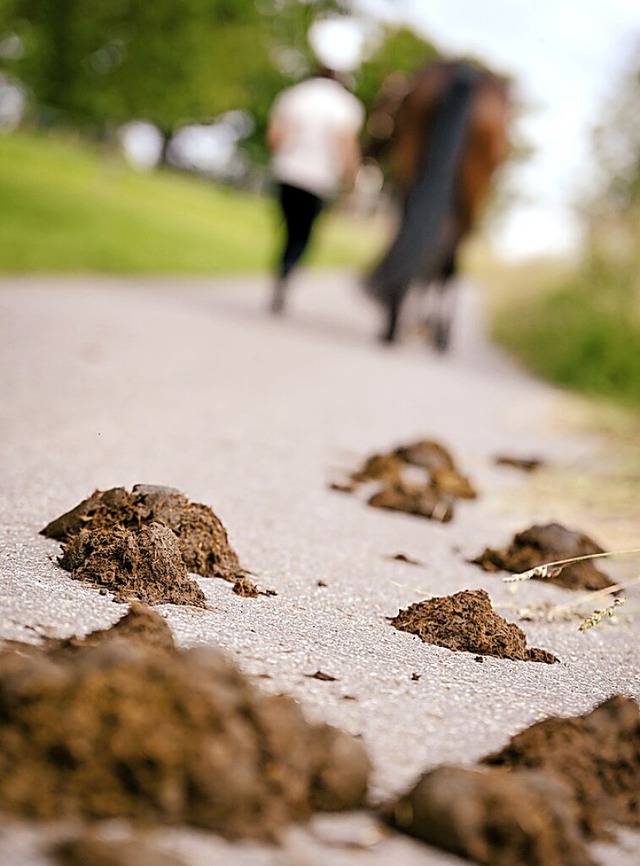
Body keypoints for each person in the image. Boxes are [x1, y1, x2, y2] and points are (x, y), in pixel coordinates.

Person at [266, 66, 365, 314]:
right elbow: (345, 146)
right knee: (304, 234)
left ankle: (282, 268)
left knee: (288, 229)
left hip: (288, 173)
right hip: (318, 181)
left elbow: (275, 138)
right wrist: (351, 179)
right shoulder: (346, 106)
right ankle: (288, 270)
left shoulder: (294, 96)